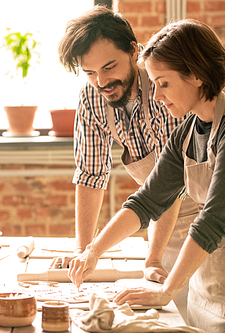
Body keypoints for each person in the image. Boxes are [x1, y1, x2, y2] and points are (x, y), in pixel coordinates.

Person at [67, 19, 225, 333]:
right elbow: (147, 201)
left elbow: (214, 219)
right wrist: (93, 251)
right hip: (210, 282)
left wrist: (164, 291)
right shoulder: (188, 132)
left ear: (197, 75)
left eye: (163, 83)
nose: (158, 96)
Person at [52, 5, 199, 321]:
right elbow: (91, 175)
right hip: (165, 222)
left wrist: (153, 256)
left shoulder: (163, 88)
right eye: (89, 72)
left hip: (209, 218)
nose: (101, 81)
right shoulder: (92, 99)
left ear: (134, 50)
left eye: (109, 67)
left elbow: (169, 183)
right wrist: (83, 252)